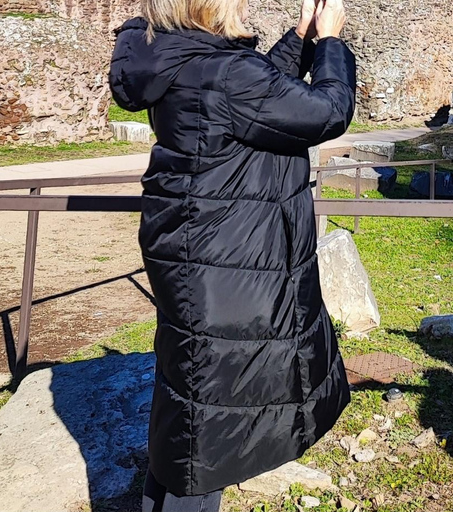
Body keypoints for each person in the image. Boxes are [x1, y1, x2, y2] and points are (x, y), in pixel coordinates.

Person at [109, 0, 355, 510]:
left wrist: (299, 38)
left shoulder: (175, 57)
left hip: (196, 255)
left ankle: (161, 498)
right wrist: (330, 42)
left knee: (191, 399)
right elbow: (325, 111)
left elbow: (256, 95)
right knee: (209, 423)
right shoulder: (222, 71)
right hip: (225, 262)